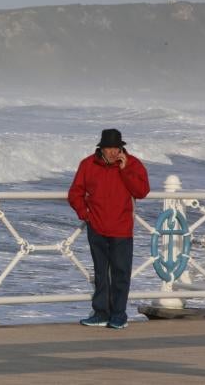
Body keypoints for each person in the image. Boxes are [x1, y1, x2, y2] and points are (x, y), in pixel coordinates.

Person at [68, 128, 150, 329]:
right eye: (109, 148)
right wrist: (84, 214)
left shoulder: (133, 164)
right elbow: (75, 193)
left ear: (121, 148)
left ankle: (119, 315)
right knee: (101, 273)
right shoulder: (88, 165)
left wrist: (125, 170)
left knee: (121, 272)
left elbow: (141, 191)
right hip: (96, 227)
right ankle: (100, 313)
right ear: (101, 149)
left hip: (121, 228)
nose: (113, 152)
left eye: (116, 148)